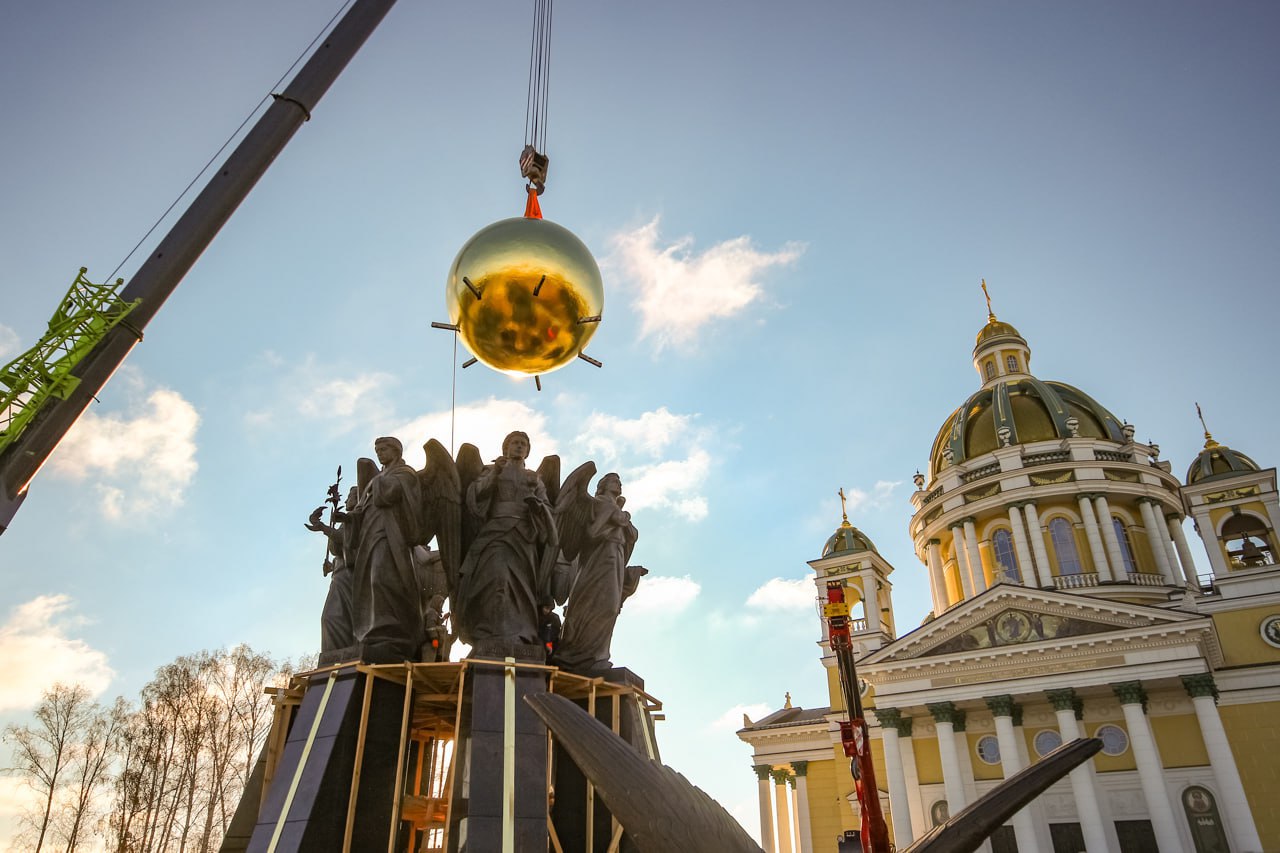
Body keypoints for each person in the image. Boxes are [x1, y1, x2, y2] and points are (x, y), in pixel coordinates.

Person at [454, 431, 555, 650]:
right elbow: (475, 495)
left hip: (524, 536)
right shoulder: (492, 470)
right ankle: (491, 630)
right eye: (514, 443)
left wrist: (538, 506)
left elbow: (547, 506)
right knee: (495, 578)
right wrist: (495, 473)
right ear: (505, 447)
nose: (519, 447)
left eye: (523, 444)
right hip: (496, 532)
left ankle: (521, 633)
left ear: (528, 450)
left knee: (522, 586)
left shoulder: (533, 478)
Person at [555, 473, 643, 674]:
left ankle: (598, 655)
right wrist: (617, 520)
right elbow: (592, 533)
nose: (619, 484)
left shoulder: (615, 507)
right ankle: (582, 654)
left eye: (620, 482)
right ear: (602, 486)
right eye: (614, 481)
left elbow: (632, 535)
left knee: (611, 606)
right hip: (601, 559)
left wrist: (624, 518)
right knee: (604, 605)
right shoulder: (601, 503)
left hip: (615, 557)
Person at [349, 436, 425, 662]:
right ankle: (374, 630)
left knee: (382, 577)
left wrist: (376, 484)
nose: (380, 453)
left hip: (391, 532)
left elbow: (389, 495)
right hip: (370, 532)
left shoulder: (405, 473)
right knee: (369, 581)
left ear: (397, 451)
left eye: (384, 449)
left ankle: (391, 630)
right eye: (377, 450)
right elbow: (362, 508)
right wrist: (351, 516)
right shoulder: (379, 477)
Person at [305, 485, 359, 659]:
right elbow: (337, 550)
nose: (346, 500)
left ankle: (340, 654)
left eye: (350, 496)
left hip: (351, 577)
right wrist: (332, 565)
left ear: (358, 498)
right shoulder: (346, 522)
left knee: (336, 618)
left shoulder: (356, 519)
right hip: (339, 576)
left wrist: (323, 528)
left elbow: (348, 542)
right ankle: (333, 655)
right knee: (330, 618)